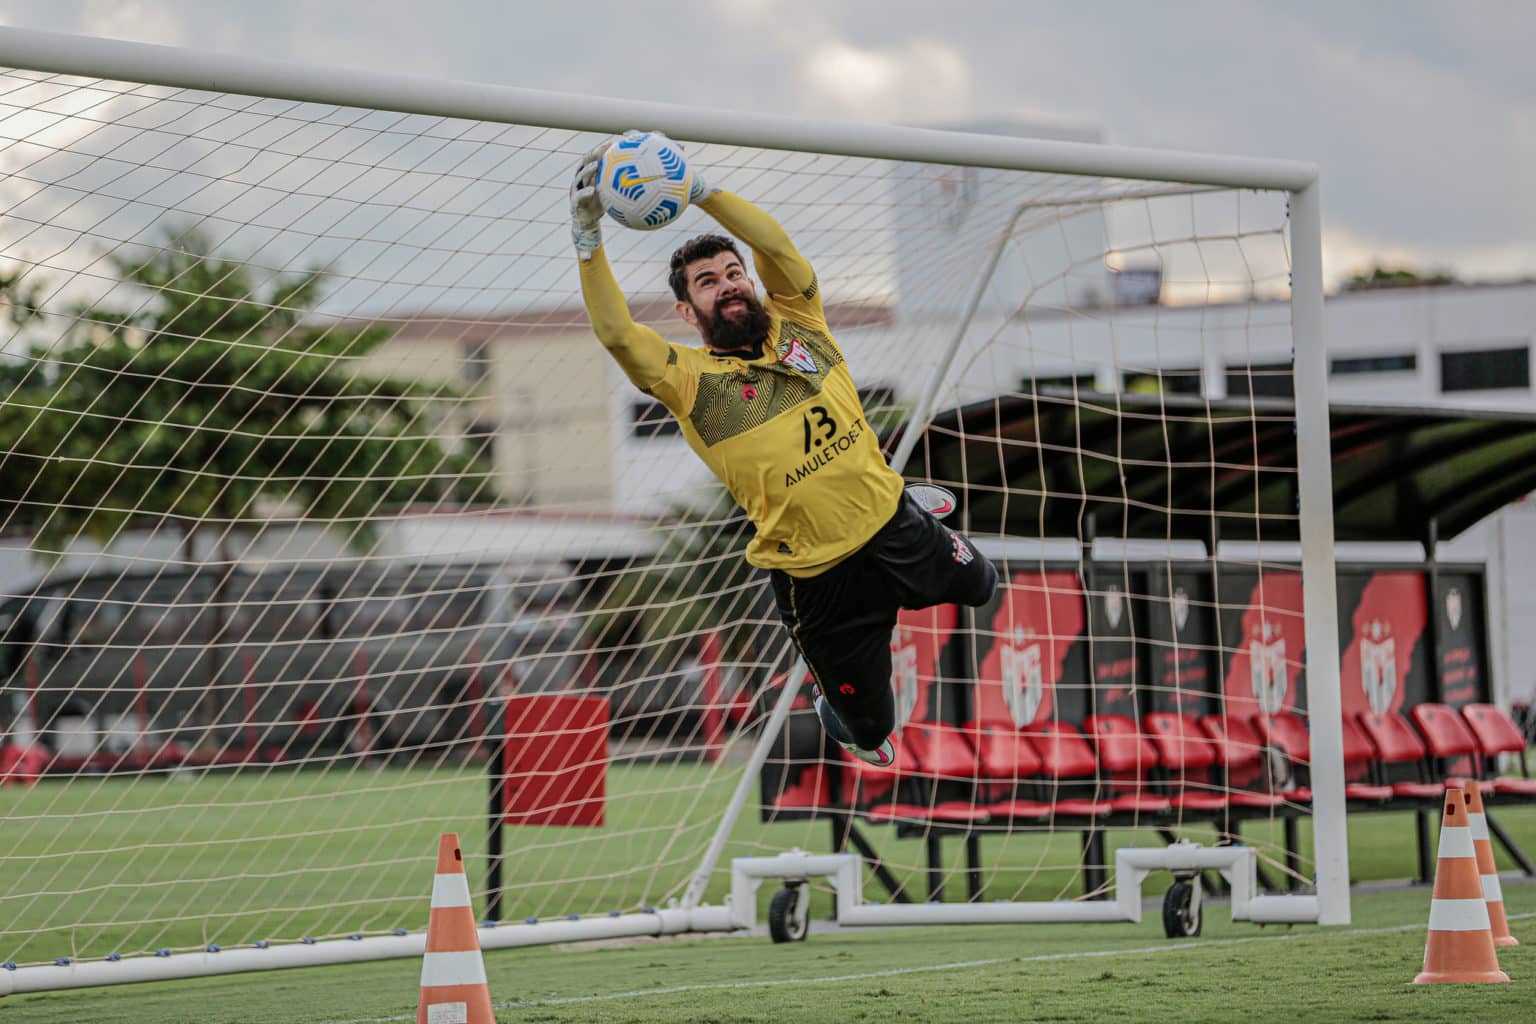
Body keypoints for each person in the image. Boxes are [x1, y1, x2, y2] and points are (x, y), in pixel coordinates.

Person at [571, 133, 998, 766]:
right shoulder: (689, 383)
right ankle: (841, 711)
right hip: (818, 577)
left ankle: (899, 493)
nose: (728, 285)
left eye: (733, 272)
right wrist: (587, 235)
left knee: (981, 585)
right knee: (869, 725)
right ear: (689, 313)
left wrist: (702, 191)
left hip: (889, 522)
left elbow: (774, 245)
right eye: (708, 283)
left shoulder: (802, 320)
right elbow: (615, 332)